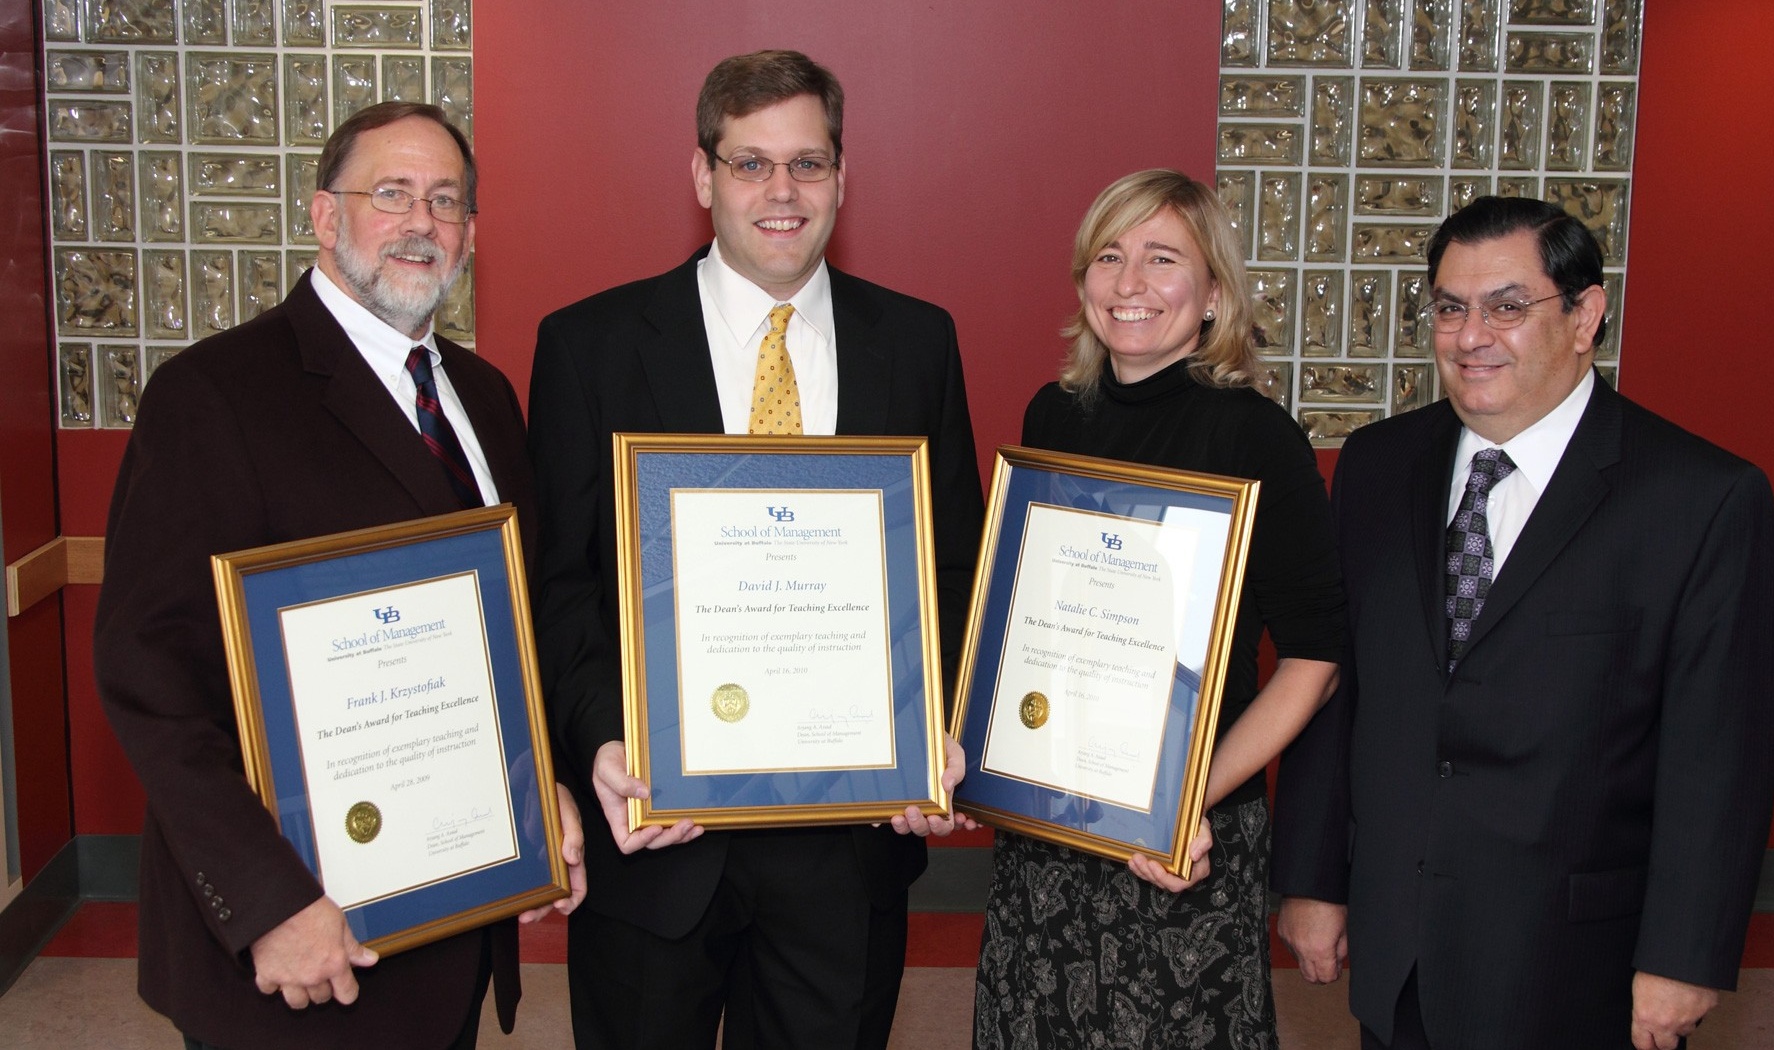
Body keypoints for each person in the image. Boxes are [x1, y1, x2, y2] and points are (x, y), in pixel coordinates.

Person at [94, 101, 586, 1050]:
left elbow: (506, 628)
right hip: (294, 947)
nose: (421, 223)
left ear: (472, 235)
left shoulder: (481, 396)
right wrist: (266, 903)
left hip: (448, 915)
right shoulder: (212, 396)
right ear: (325, 216)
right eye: (390, 193)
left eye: (446, 202)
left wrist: (544, 786)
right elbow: (149, 674)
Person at [527, 50, 985, 1049]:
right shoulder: (589, 346)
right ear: (703, 177)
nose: (782, 192)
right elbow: (558, 586)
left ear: (841, 178)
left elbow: (951, 569)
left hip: (847, 848)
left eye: (808, 164)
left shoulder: (915, 344)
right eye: (750, 164)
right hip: (657, 842)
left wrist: (930, 725)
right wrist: (608, 740)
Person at [1272, 195, 1774, 1050]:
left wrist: (1685, 956)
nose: (1471, 335)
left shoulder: (1703, 500)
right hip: (1401, 945)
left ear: (1586, 314)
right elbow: (1343, 688)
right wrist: (1314, 880)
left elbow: (1721, 756)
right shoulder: (1375, 467)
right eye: (1449, 307)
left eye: (1508, 307)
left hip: (1578, 962)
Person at [973, 169, 1344, 1049]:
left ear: (1213, 292)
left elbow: (1317, 657)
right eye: (1109, 255)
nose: (1129, 282)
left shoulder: (1258, 436)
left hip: (1188, 831)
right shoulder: (1052, 415)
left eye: (1161, 257)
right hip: (1052, 825)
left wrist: (1183, 804)